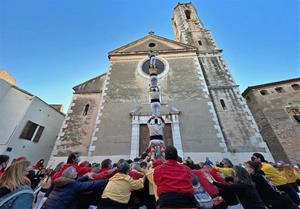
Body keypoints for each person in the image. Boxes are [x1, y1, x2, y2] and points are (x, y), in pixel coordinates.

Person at [42, 166, 108, 209]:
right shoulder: (73, 185)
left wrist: (86, 177)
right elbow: (91, 185)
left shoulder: (59, 181)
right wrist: (107, 180)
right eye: (75, 172)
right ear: (72, 175)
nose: (76, 173)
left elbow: (75, 181)